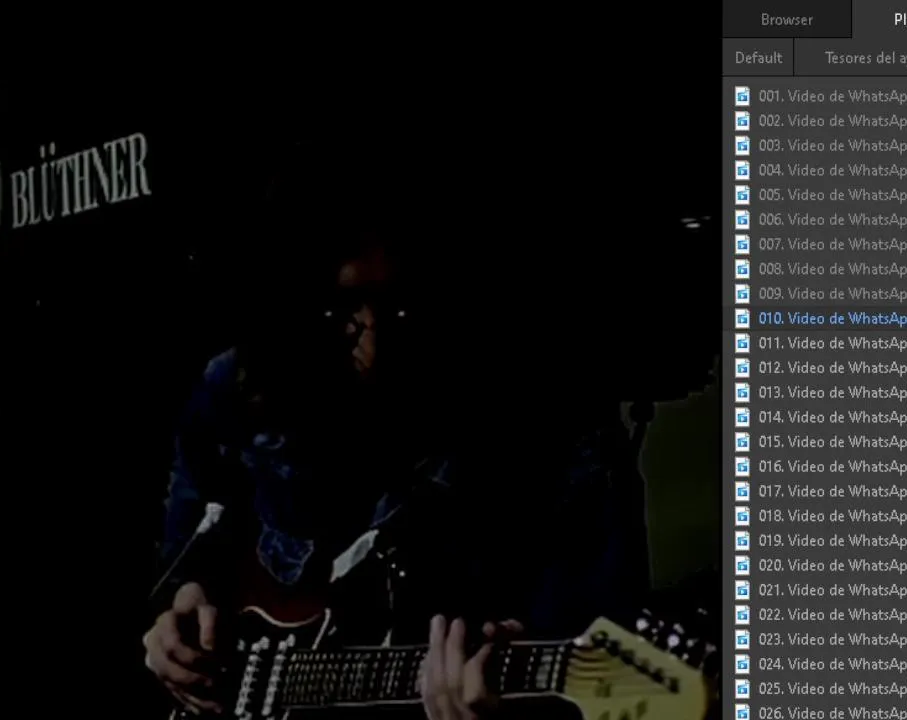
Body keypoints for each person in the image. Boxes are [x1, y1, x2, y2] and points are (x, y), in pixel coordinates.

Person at [141, 227, 645, 719]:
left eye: (402, 309)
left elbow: (588, 649)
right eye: (340, 312)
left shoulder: (557, 433)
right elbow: (186, 555)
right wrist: (179, 616)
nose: (375, 344)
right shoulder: (237, 385)